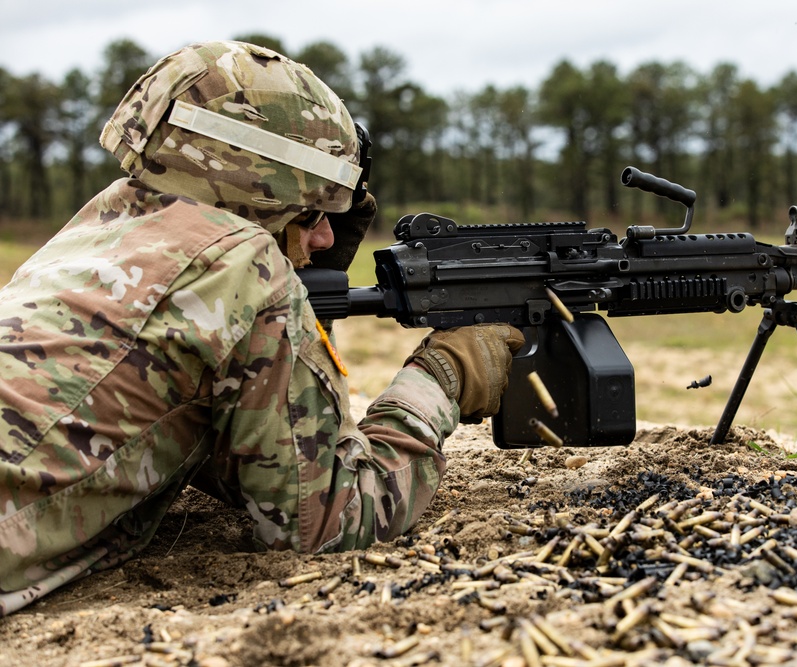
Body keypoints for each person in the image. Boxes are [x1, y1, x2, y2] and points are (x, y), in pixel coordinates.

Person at [0, 41, 524, 616]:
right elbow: (328, 525)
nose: (324, 238)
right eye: (310, 213)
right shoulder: (242, 264)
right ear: (257, 193)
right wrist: (444, 376)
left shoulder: (98, 227)